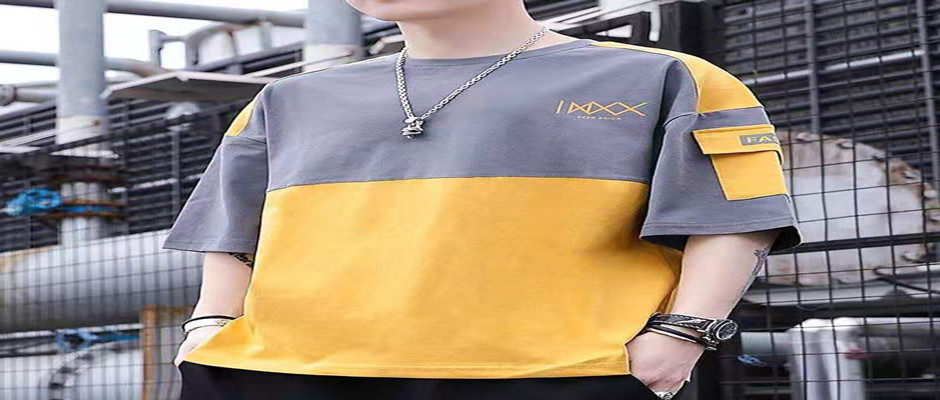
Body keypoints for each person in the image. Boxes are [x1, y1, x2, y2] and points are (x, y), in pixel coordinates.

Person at [161, 0, 804, 399]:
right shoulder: (287, 99)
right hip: (281, 376)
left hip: (552, 376)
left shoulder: (668, 78)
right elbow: (233, 229)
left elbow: (735, 218)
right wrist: (210, 327)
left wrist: (682, 335)